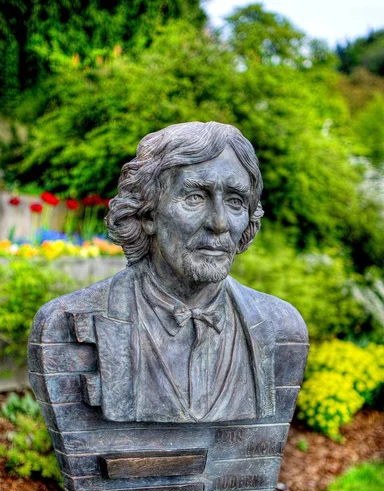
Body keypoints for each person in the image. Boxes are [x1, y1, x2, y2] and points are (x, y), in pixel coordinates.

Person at [29, 121, 308, 423]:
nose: (220, 223)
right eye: (195, 198)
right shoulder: (64, 326)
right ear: (147, 213)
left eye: (235, 201)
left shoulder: (282, 328)